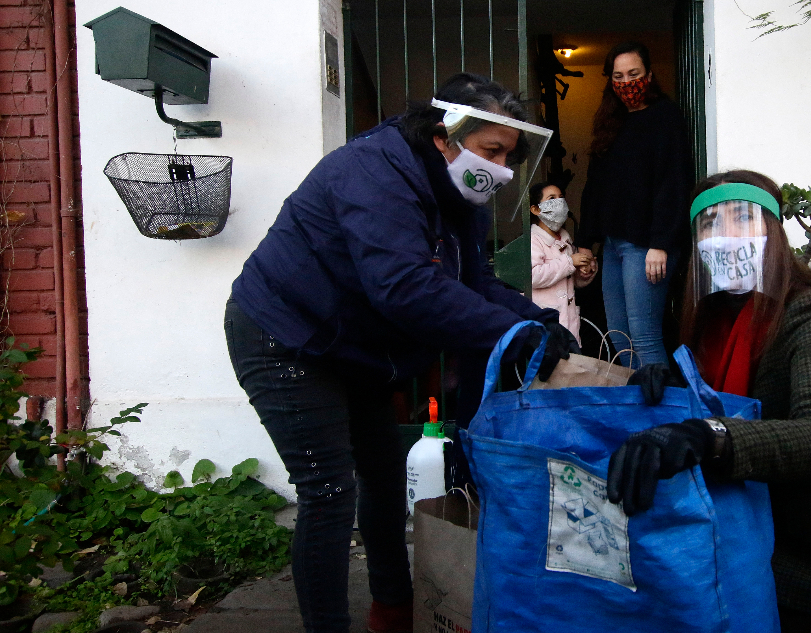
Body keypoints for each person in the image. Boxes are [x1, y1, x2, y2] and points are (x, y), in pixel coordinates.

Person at [224, 74, 577, 633]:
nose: (502, 167)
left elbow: (471, 280)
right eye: (492, 150)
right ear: (445, 136)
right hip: (285, 332)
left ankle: (392, 610)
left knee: (385, 476)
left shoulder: (461, 188)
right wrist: (512, 336)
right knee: (329, 489)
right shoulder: (371, 171)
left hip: (355, 345)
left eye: (509, 155)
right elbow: (405, 286)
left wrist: (536, 321)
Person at [607, 171, 811, 633]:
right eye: (710, 224)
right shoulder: (713, 316)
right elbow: (714, 392)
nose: (726, 236)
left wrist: (706, 437)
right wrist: (669, 382)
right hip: (767, 544)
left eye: (743, 219)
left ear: (774, 233)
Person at [574, 41, 691, 368]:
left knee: (645, 336)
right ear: (610, 80)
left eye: (634, 74)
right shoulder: (610, 121)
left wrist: (661, 243)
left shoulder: (666, 116)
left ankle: (661, 414)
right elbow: (595, 187)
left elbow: (674, 182)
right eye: (619, 76)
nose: (627, 83)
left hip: (647, 246)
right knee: (619, 336)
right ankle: (636, 411)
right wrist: (585, 243)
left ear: (650, 74)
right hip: (613, 245)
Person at [529, 182, 597, 345]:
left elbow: (571, 280)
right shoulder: (533, 240)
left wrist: (584, 272)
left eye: (561, 197)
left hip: (569, 323)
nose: (559, 202)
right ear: (536, 209)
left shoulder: (566, 239)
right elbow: (533, 276)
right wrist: (569, 262)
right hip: (546, 323)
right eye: (551, 198)